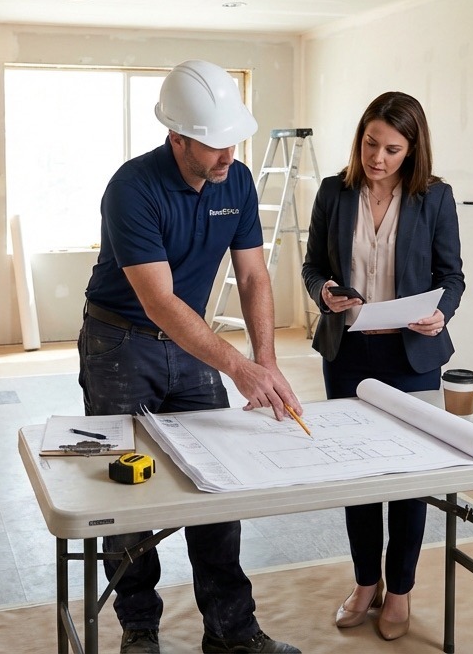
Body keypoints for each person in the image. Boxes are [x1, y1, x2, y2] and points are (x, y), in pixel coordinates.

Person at [79, 59, 303, 654]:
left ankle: (231, 631)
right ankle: (139, 628)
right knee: (126, 491)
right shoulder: (132, 189)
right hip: (121, 344)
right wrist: (238, 367)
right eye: (211, 144)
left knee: (218, 485)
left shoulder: (238, 179)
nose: (226, 155)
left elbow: (253, 277)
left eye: (232, 139)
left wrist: (267, 360)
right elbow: (157, 302)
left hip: (194, 341)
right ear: (176, 137)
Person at [300, 91, 465, 641]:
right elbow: (313, 265)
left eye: (392, 149)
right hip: (348, 354)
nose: (378, 158)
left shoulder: (435, 199)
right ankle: (365, 583)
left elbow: (453, 275)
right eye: (371, 144)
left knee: (408, 480)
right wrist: (323, 291)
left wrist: (440, 312)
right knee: (359, 474)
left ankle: (400, 592)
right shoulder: (334, 192)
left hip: (411, 357)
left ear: (412, 149)